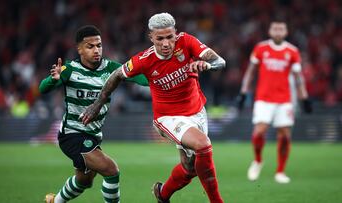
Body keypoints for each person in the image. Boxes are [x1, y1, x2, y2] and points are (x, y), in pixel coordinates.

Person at [80, 12, 226, 203]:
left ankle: (162, 193)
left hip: (197, 111)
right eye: (160, 39)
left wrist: (206, 66)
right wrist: (97, 104)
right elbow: (116, 75)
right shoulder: (144, 60)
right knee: (203, 146)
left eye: (169, 37)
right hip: (169, 117)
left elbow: (219, 62)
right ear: (151, 37)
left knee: (190, 169)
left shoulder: (187, 42)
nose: (166, 44)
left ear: (175, 33)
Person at [40, 25, 148, 203]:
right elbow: (43, 89)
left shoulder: (111, 68)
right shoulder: (70, 70)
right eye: (90, 46)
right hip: (72, 134)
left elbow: (139, 78)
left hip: (94, 135)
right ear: (79, 49)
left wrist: (157, 78)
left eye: (99, 45)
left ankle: (54, 201)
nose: (96, 50)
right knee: (111, 170)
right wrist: (53, 80)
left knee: (84, 181)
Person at [237, 20, 312, 184]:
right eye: (275, 28)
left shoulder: (292, 51)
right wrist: (243, 93)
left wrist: (304, 97)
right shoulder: (261, 48)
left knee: (285, 135)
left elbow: (298, 78)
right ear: (270, 31)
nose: (278, 31)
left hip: (284, 100)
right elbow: (250, 72)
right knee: (259, 131)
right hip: (263, 99)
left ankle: (280, 171)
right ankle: (257, 161)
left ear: (286, 32)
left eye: (281, 29)